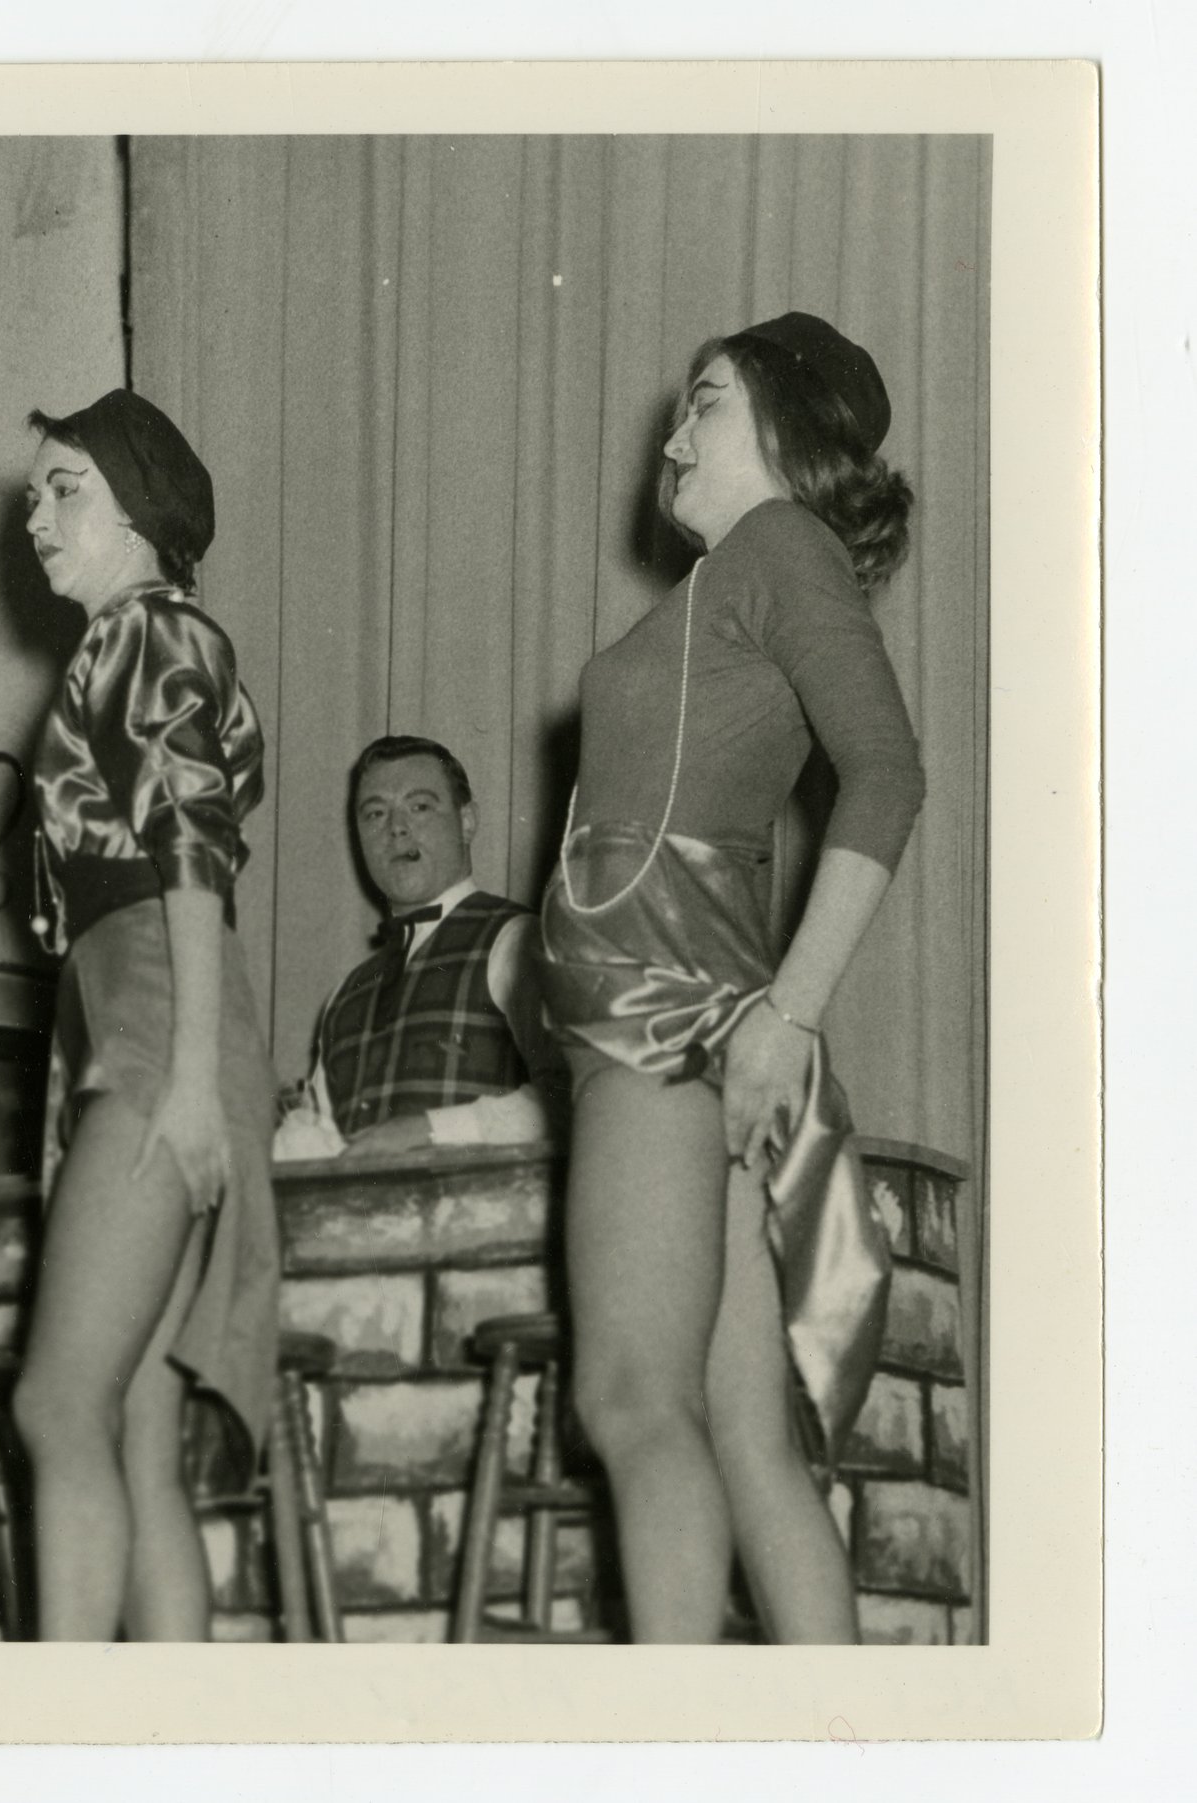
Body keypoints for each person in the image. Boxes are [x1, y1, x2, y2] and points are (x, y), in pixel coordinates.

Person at [541, 312, 924, 1643]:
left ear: (784, 428)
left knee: (634, 1402)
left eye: (703, 402)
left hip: (665, 1015)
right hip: (658, 1007)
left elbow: (889, 771)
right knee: (747, 1441)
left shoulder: (777, 546)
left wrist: (791, 1016)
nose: (670, 430)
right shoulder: (736, 578)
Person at [10, 389, 279, 1643]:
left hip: (161, 1019)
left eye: (66, 489)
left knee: (57, 1409)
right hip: (163, 1017)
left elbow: (187, 850)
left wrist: (173, 1082)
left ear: (143, 516)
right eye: (34, 491)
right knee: (129, 1430)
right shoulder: (143, 638)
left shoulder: (146, 636)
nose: (35, 516)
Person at [274, 734, 565, 1161]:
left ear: (467, 821)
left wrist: (429, 1129)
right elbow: (322, 1148)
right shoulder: (345, 996)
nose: (396, 827)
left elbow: (574, 1098)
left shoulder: (518, 941)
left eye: (420, 806)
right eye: (375, 813)